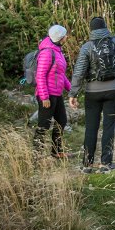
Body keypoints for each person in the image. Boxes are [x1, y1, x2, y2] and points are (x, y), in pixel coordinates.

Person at [69, 16, 115, 173]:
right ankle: (106, 163)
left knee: (91, 127)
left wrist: (73, 93)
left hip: (93, 92)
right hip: (114, 90)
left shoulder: (87, 47)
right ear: (105, 28)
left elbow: (78, 72)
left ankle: (87, 164)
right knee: (109, 126)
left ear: (91, 30)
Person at [34, 24, 72, 160]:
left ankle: (57, 151)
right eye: (65, 35)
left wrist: (71, 89)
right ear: (60, 37)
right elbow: (40, 76)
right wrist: (44, 97)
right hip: (47, 95)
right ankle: (36, 154)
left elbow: (61, 74)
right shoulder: (47, 52)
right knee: (44, 125)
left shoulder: (58, 51)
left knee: (61, 121)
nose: (67, 37)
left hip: (57, 94)